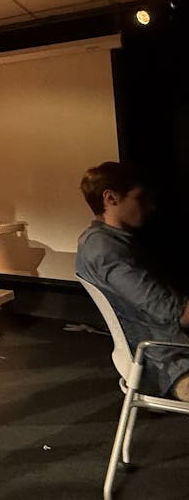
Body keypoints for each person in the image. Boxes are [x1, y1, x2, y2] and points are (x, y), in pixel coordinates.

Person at [76, 161, 189, 401]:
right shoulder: (104, 250)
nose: (150, 207)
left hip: (163, 351)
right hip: (170, 362)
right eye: (140, 198)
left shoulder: (104, 242)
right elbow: (175, 313)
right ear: (111, 198)